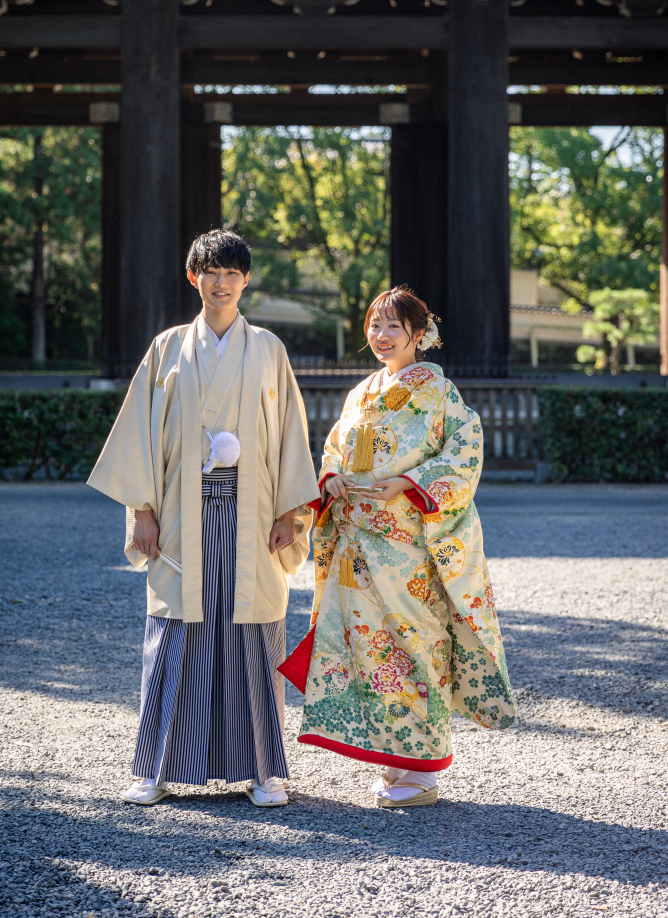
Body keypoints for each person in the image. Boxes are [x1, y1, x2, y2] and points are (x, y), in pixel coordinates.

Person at [88, 229, 319, 808]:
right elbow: (141, 435)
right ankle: (156, 766)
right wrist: (141, 510)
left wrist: (291, 513)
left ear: (246, 280)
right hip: (179, 510)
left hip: (255, 509)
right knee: (174, 633)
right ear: (194, 278)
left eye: (232, 273)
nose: (221, 283)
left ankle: (265, 770)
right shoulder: (167, 348)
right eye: (210, 272)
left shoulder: (268, 349)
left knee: (254, 633)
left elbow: (291, 434)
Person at [280, 286, 516, 808]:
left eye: (393, 327)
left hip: (407, 546)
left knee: (415, 645)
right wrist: (333, 477)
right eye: (375, 326)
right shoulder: (361, 391)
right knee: (370, 648)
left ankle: (422, 770)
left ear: (418, 334)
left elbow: (465, 448)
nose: (382, 336)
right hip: (358, 546)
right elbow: (336, 445)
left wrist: (409, 483)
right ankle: (395, 761)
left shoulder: (437, 391)